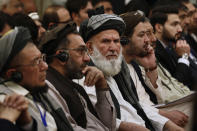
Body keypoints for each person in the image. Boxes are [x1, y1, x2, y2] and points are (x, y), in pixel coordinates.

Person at [80, 13, 184, 131]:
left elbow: (134, 106)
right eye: (106, 41)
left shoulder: (111, 70)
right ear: (89, 47)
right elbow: (107, 121)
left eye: (116, 41)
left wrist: (165, 123)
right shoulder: (87, 74)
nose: (113, 47)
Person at [120, 11, 194, 129]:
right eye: (142, 35)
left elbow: (157, 99)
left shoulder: (136, 61)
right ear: (125, 40)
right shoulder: (118, 66)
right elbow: (134, 107)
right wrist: (165, 117)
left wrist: (152, 68)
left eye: (149, 34)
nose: (149, 40)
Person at [39, 22, 116, 131]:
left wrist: (101, 86)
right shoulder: (49, 86)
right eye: (80, 51)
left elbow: (109, 126)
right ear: (62, 56)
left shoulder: (74, 87)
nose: (87, 59)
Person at [0, 26, 78, 131]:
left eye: (42, 58)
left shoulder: (38, 90)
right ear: (13, 74)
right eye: (36, 62)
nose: (45, 66)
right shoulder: (6, 103)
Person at [150, 5, 197, 89]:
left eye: (179, 24)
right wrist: (184, 57)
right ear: (159, 27)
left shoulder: (171, 47)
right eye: (174, 24)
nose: (180, 29)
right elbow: (176, 86)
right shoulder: (153, 51)